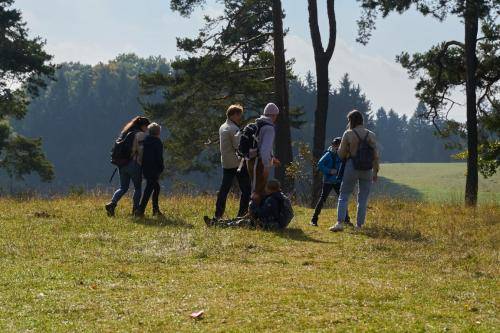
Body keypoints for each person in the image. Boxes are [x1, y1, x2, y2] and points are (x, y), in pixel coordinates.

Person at [330, 110, 379, 232]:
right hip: (367, 169)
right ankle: (359, 226)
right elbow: (376, 156)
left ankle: (340, 223)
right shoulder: (371, 135)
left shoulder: (348, 133)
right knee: (362, 198)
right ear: (362, 120)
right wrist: (375, 172)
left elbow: (341, 155)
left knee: (344, 195)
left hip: (352, 166)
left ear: (351, 121)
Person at [204, 179, 293, 230]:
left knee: (242, 222)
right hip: (278, 223)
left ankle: (217, 225)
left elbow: (261, 214)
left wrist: (253, 203)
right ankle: (218, 222)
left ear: (270, 189)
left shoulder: (272, 200)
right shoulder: (280, 196)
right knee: (242, 218)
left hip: (273, 225)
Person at [106, 116, 150, 216]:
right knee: (137, 188)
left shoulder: (125, 133)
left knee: (123, 187)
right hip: (133, 164)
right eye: (146, 127)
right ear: (143, 126)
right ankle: (135, 210)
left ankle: (112, 204)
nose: (147, 129)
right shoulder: (140, 135)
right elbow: (142, 151)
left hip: (121, 165)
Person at [214, 104, 251, 219]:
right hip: (237, 163)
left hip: (226, 162)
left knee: (224, 190)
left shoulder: (223, 126)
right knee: (246, 189)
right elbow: (238, 146)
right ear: (234, 114)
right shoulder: (234, 129)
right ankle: (242, 214)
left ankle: (218, 214)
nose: (240, 117)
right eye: (239, 114)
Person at [310, 137, 350, 227]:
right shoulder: (328, 154)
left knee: (342, 199)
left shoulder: (342, 155)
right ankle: (314, 219)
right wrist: (329, 171)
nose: (337, 147)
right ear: (333, 145)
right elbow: (320, 164)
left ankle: (347, 220)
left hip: (338, 181)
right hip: (328, 181)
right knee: (323, 199)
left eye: (339, 145)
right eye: (336, 145)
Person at [247, 103, 280, 206]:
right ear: (273, 115)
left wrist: (272, 158)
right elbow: (265, 149)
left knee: (256, 188)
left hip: (251, 160)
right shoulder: (269, 128)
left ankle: (254, 216)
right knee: (258, 190)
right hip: (259, 162)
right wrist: (266, 165)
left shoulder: (258, 123)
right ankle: (253, 218)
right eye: (276, 115)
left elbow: (260, 145)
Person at [137, 122, 164, 217]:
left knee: (155, 187)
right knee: (149, 189)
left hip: (145, 167)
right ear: (158, 132)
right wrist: (161, 167)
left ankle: (155, 210)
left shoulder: (146, 140)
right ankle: (141, 210)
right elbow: (159, 157)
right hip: (154, 168)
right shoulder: (157, 142)